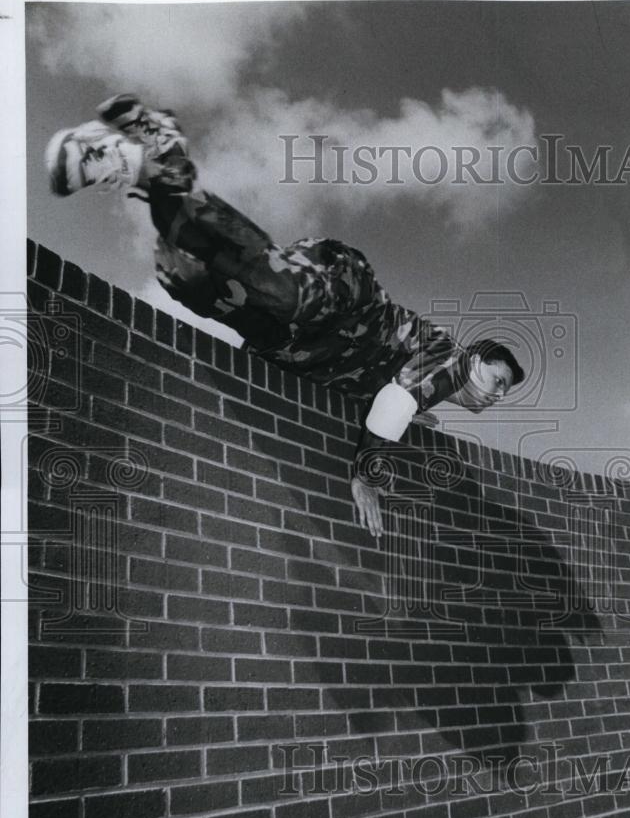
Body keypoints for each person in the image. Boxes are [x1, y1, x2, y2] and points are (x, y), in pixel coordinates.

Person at [46, 95, 525, 539]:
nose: (495, 393)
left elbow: (398, 398)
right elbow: (397, 404)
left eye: (503, 392)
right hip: (343, 297)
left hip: (290, 339)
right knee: (282, 291)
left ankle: (157, 161)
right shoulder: (450, 357)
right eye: (496, 378)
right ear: (476, 357)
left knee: (185, 277)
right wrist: (367, 472)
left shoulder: (425, 388)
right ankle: (145, 163)